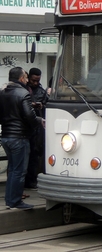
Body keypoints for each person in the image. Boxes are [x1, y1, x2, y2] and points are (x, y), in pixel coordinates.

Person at [0, 67, 44, 210]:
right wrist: (39, 121)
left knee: (12, 169)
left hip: (6, 136)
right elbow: (29, 116)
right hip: (19, 137)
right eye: (25, 77)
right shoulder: (23, 93)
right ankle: (15, 201)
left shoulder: (2, 93)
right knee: (19, 171)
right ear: (20, 79)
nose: (26, 80)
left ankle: (10, 200)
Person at [25, 68, 48, 190]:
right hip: (26, 127)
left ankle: (32, 180)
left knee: (35, 155)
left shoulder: (41, 91)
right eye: (33, 80)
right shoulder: (23, 89)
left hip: (37, 128)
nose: (35, 83)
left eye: (37, 81)